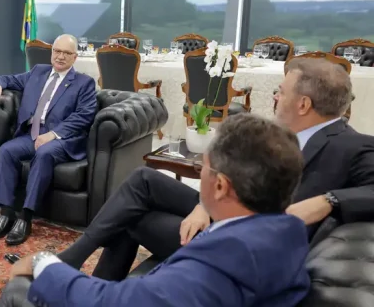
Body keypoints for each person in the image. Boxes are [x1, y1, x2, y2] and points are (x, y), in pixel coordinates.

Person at [55, 57, 374, 282]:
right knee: (144, 180)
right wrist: (203, 204)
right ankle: (75, 260)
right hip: (233, 217)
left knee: (129, 217)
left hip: (247, 251)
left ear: (303, 105)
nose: (275, 97)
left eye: (281, 91)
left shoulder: (353, 145)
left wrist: (328, 200)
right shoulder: (284, 136)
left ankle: (78, 274)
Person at [0, 114, 310, 307]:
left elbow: (114, 304)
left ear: (220, 186)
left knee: (16, 290)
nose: (200, 173)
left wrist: (43, 263)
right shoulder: (288, 230)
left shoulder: (221, 263)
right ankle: (87, 269)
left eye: (203, 167)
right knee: (131, 210)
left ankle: (69, 265)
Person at [0, 34, 97, 245]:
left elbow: (83, 116)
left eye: (66, 53)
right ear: (51, 52)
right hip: (31, 135)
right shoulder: (38, 72)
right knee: (7, 150)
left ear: (75, 57)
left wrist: (52, 135)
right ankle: (6, 214)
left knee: (44, 153)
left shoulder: (84, 83)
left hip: (61, 139)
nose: (60, 56)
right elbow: (10, 79)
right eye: (57, 51)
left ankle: (25, 217)